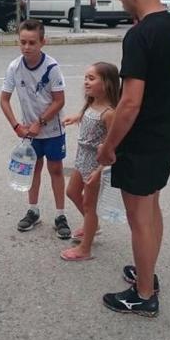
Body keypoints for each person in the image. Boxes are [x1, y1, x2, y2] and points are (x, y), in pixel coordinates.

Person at [96, 0, 170, 317]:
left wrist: (109, 146)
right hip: (169, 132)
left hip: (143, 138)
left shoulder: (140, 35)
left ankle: (144, 293)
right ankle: (148, 270)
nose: (121, 3)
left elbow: (130, 102)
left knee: (138, 216)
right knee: (151, 206)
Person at [0, 19, 70, 239]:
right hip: (29, 132)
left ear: (42, 42)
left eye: (32, 42)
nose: (27, 47)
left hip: (52, 131)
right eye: (23, 42)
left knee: (56, 170)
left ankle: (60, 215)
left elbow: (59, 100)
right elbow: (4, 100)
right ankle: (33, 211)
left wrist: (40, 121)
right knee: (33, 169)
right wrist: (16, 126)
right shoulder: (14, 67)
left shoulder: (51, 67)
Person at [60, 62, 120, 262]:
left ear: (108, 84)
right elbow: (89, 116)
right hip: (82, 158)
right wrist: (77, 117)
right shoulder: (92, 103)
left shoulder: (110, 113)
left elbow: (114, 146)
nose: (86, 82)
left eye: (92, 78)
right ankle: (92, 226)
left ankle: (85, 248)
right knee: (72, 192)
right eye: (86, 77)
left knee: (89, 206)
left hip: (96, 164)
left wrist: (101, 170)